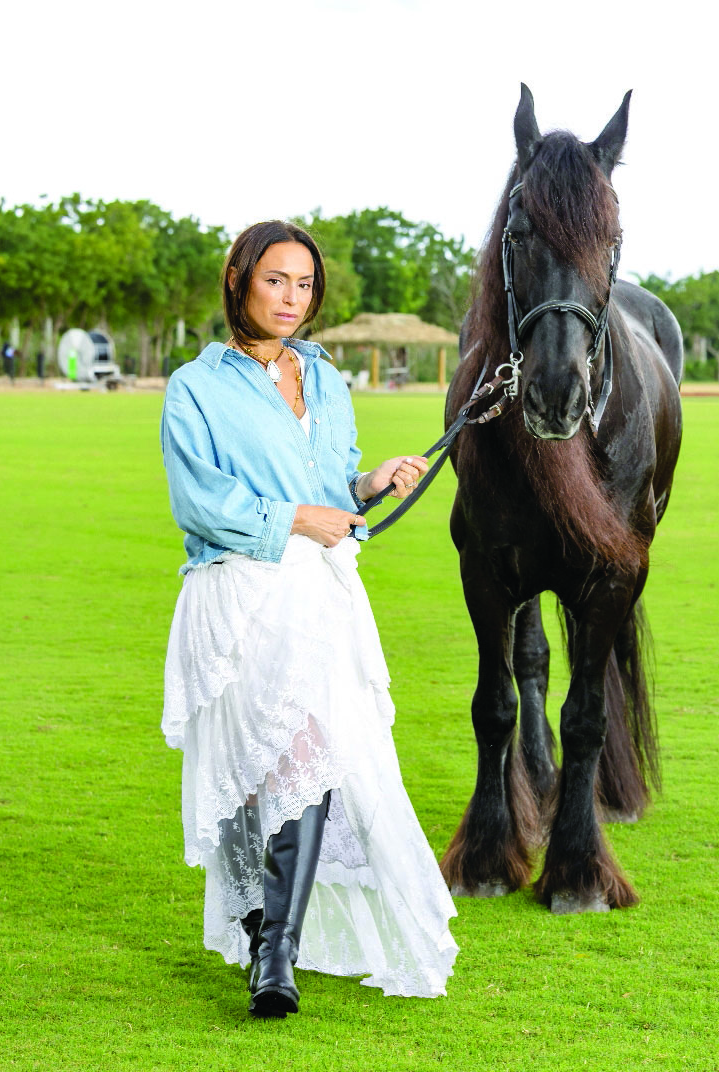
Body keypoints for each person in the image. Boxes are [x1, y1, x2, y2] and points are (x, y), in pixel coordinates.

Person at [160, 220, 458, 1019]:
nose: (292, 299)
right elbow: (201, 503)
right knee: (251, 766)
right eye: (275, 281)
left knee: (311, 746)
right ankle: (261, 926)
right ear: (237, 280)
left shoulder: (326, 378)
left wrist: (367, 484)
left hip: (319, 593)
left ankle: (276, 956)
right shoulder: (195, 387)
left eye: (303, 285)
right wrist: (297, 518)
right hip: (237, 592)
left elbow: (328, 484)